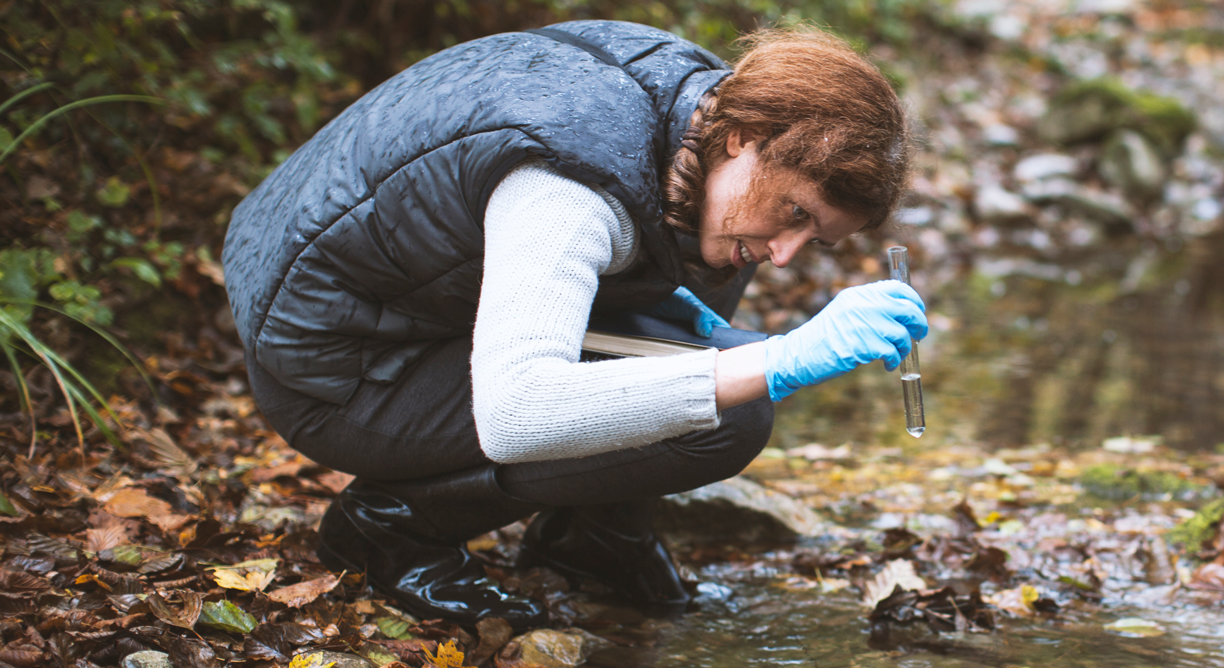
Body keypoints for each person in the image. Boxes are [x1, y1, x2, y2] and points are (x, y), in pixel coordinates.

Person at [221, 21, 924, 626]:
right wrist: (779, 362)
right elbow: (516, 413)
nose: (787, 254)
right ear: (742, 136)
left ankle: (595, 529)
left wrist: (726, 339)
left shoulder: (701, 117)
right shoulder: (569, 190)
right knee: (727, 411)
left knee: (727, 259)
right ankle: (396, 527)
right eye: (798, 213)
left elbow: (724, 249)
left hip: (421, 307)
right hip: (343, 368)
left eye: (817, 240)